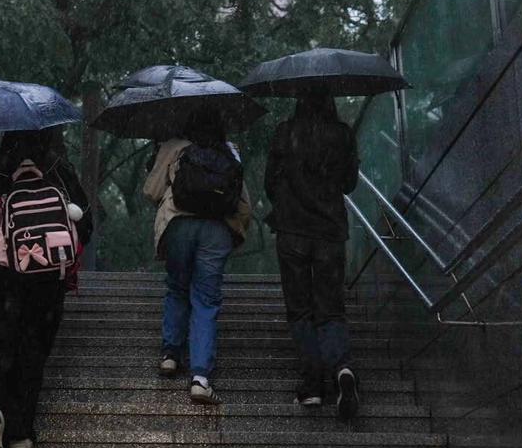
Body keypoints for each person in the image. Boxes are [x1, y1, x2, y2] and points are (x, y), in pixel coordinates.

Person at [0, 128, 91, 448]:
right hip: (46, 273)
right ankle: (22, 438)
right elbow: (86, 223)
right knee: (32, 352)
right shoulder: (57, 166)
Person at [143, 109, 251, 405]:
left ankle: (170, 354)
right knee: (206, 300)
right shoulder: (231, 151)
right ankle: (200, 378)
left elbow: (151, 192)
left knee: (177, 287)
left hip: (179, 224)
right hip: (217, 229)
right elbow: (243, 203)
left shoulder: (174, 147)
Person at [263, 94, 360, 420]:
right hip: (330, 232)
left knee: (301, 309)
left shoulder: (284, 133)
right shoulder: (343, 134)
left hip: (292, 232)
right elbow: (349, 184)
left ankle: (313, 384)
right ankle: (342, 368)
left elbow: (269, 185)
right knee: (331, 309)